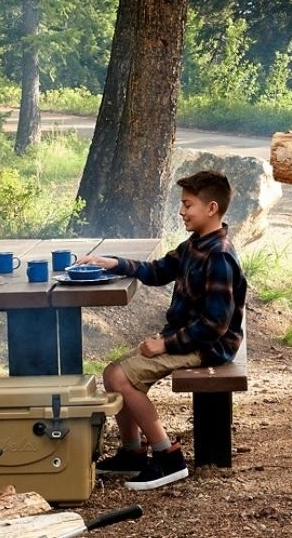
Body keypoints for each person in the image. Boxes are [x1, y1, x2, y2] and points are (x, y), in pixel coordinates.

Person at [81, 169, 247, 491]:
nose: (182, 211)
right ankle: (132, 454)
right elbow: (158, 271)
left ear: (211, 208)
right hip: (190, 336)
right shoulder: (195, 245)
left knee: (121, 377)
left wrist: (166, 344)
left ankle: (167, 456)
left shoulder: (220, 256)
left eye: (188, 205)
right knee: (111, 372)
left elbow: (215, 325)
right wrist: (116, 264)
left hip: (208, 345)